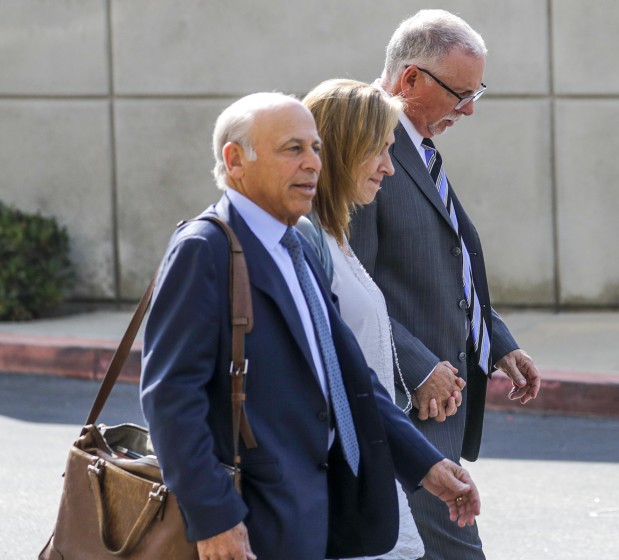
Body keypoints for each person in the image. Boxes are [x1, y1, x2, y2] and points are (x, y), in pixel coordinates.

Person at [140, 92, 481, 560]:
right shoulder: (206, 249)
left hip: (317, 515)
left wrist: (425, 465)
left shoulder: (296, 248)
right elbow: (171, 398)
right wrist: (215, 518)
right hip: (253, 521)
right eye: (292, 149)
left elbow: (351, 381)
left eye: (315, 148)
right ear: (234, 160)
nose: (311, 164)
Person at [348, 10, 542, 559]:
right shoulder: (366, 146)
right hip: (409, 401)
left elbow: (446, 254)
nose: (470, 108)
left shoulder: (417, 145)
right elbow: (348, 284)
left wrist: (496, 340)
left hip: (439, 395)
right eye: (460, 93)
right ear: (410, 80)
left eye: (476, 90)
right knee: (453, 548)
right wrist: (418, 367)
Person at [296, 78, 463, 560]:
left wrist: (421, 461)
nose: (390, 167)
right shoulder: (305, 241)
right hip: (336, 484)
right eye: (379, 151)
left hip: (369, 472)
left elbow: (359, 375)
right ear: (346, 149)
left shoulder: (335, 236)